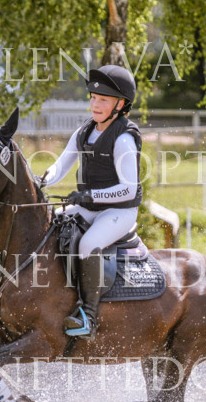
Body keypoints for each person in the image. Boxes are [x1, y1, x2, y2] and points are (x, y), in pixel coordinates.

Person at [41, 64, 142, 338]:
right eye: (93, 98)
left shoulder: (123, 139)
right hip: (89, 207)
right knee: (51, 224)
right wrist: (41, 181)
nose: (95, 105)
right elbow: (61, 165)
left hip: (119, 212)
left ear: (120, 104)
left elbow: (128, 190)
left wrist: (90, 196)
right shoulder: (84, 131)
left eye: (103, 100)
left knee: (88, 244)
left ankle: (89, 316)